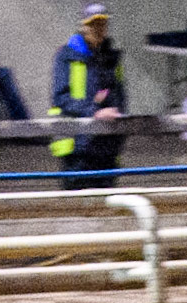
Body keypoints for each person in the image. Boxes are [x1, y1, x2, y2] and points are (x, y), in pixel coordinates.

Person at [50, 3, 126, 190]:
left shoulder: (112, 59)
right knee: (76, 204)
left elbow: (120, 97)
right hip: (78, 148)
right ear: (83, 26)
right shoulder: (67, 56)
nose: (98, 29)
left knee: (109, 203)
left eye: (102, 24)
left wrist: (118, 117)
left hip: (107, 146)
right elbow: (61, 98)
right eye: (93, 24)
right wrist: (94, 112)